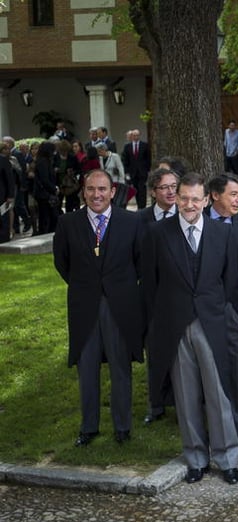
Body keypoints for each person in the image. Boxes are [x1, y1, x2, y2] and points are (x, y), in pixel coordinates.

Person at [142, 172, 238, 485]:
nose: (188, 204)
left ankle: (227, 458)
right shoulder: (158, 233)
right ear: (176, 197)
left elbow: (230, 282)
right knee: (186, 396)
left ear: (205, 200)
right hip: (174, 323)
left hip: (210, 321)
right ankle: (196, 458)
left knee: (217, 393)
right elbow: (150, 284)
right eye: (183, 197)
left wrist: (211, 308)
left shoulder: (222, 234)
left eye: (194, 199)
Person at [53, 168, 144, 446]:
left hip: (120, 306)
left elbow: (139, 261)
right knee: (88, 367)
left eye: (102, 189)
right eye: (91, 189)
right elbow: (62, 262)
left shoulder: (131, 222)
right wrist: (86, 286)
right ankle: (89, 427)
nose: (97, 195)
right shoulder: (68, 223)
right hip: (84, 307)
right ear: (83, 191)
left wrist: (118, 287)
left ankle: (122, 427)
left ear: (113, 192)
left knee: (120, 367)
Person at [206, 173, 238, 456]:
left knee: (237, 371)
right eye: (233, 194)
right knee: (208, 369)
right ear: (215, 195)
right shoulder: (198, 220)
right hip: (203, 309)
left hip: (234, 307)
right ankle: (212, 430)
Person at [138, 168, 180, 424]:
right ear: (153, 191)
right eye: (164, 187)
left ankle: (179, 401)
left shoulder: (185, 216)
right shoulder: (139, 219)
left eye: (174, 186)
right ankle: (155, 405)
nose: (170, 191)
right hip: (150, 295)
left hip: (178, 295)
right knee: (155, 351)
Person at [32, 141, 59, 235]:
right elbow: (44, 179)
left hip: (45, 193)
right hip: (44, 194)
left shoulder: (44, 161)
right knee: (47, 216)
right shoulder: (43, 162)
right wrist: (54, 189)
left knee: (49, 216)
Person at [121, 129, 151, 209]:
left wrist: (147, 169)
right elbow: (125, 160)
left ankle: (142, 206)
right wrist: (126, 172)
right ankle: (138, 204)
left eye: (137, 135)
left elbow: (148, 159)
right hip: (132, 172)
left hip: (142, 172)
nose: (136, 137)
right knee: (136, 190)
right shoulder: (127, 147)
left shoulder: (144, 145)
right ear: (132, 136)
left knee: (142, 190)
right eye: (134, 135)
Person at [96, 142, 127, 209]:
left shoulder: (114, 156)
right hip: (106, 182)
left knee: (118, 201)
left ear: (103, 150)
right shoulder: (100, 158)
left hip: (116, 181)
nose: (98, 153)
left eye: (99, 151)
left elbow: (120, 168)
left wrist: (122, 181)